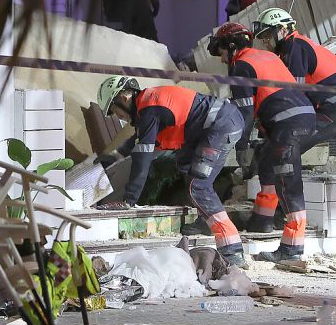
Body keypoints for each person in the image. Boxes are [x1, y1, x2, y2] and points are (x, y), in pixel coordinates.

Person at [253, 7, 336, 261]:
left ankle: (287, 241)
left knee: (283, 151)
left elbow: (294, 97)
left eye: (268, 36)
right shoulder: (302, 47)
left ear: (283, 30)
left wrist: (270, 127)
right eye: (262, 39)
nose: (266, 43)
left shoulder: (293, 48)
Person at [94, 76, 248, 267]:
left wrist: (129, 200)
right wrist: (112, 157)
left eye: (114, 111)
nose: (119, 118)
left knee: (198, 186)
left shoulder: (150, 108)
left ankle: (232, 250)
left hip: (219, 126)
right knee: (185, 165)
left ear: (124, 98)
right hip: (214, 125)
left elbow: (142, 158)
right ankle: (205, 220)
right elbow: (136, 141)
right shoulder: (149, 104)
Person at [208, 23, 316, 262]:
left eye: (222, 52)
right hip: (304, 117)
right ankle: (262, 220)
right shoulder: (266, 56)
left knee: (288, 181)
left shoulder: (240, 66)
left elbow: (244, 114)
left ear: (232, 46)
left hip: (286, 123)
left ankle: (291, 249)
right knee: (268, 164)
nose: (223, 59)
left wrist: (241, 147)